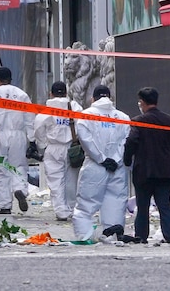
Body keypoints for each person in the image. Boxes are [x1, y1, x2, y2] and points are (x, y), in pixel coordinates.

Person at [123, 87, 170, 243]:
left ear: (142, 103)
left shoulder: (138, 121)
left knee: (142, 207)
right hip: (165, 172)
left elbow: (131, 142)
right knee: (165, 206)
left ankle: (141, 236)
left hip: (144, 172)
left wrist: (127, 159)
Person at [73, 85, 131, 241]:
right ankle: (111, 236)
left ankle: (84, 236)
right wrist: (116, 159)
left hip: (94, 166)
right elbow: (126, 142)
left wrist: (102, 159)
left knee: (85, 204)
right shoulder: (123, 117)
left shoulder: (85, 116)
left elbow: (86, 141)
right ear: (110, 97)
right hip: (117, 168)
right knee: (115, 202)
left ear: (93, 98)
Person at [34, 81, 83, 221]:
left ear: (51, 93)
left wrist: (43, 144)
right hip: (72, 147)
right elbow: (83, 124)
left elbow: (38, 128)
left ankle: (61, 211)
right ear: (66, 93)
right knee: (72, 180)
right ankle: (72, 208)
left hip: (53, 147)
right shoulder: (74, 107)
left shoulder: (48, 108)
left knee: (56, 180)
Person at [0, 66, 35, 214]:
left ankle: (4, 206)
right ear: (10, 79)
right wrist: (32, 140)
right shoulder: (22, 95)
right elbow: (30, 119)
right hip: (18, 135)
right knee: (19, 165)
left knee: (0, 170)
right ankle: (19, 189)